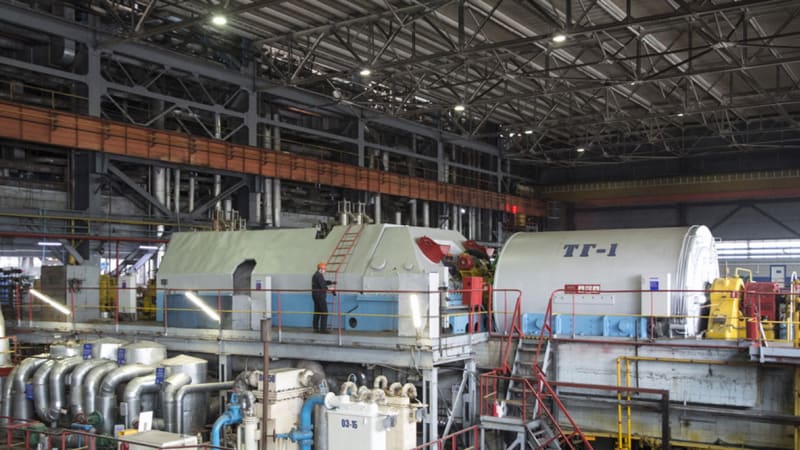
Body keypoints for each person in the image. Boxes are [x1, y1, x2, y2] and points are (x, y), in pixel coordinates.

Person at [311, 262, 336, 333]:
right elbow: (323, 287)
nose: (324, 271)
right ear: (320, 269)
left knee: (317, 312)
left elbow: (322, 282)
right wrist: (331, 289)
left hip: (315, 296)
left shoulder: (315, 275)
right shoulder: (319, 276)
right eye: (324, 269)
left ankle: (315, 328)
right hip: (320, 297)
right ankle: (323, 329)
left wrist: (330, 282)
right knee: (324, 312)